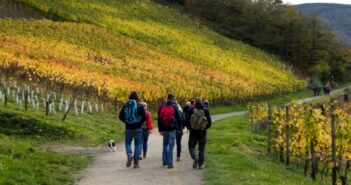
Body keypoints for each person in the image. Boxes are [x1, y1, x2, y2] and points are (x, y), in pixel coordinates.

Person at [119, 92, 146, 169]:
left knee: (127, 142)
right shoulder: (140, 106)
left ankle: (129, 154)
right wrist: (140, 122)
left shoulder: (125, 105)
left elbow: (120, 116)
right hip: (137, 128)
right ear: (137, 98)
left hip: (128, 128)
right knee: (137, 144)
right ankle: (136, 164)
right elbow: (144, 117)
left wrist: (127, 122)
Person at [185, 97, 212, 169]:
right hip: (202, 133)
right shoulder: (206, 110)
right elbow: (209, 123)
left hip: (193, 132)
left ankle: (194, 157)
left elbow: (186, 121)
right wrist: (204, 128)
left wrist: (190, 128)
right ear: (201, 102)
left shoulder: (191, 110)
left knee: (191, 146)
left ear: (195, 102)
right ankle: (201, 164)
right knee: (201, 148)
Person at [158, 93, 183, 169]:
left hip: (164, 129)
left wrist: (160, 130)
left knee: (165, 145)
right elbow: (179, 118)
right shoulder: (174, 106)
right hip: (172, 129)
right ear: (173, 99)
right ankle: (170, 163)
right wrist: (180, 127)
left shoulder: (163, 106)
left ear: (167, 98)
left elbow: (160, 119)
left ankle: (164, 161)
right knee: (171, 147)